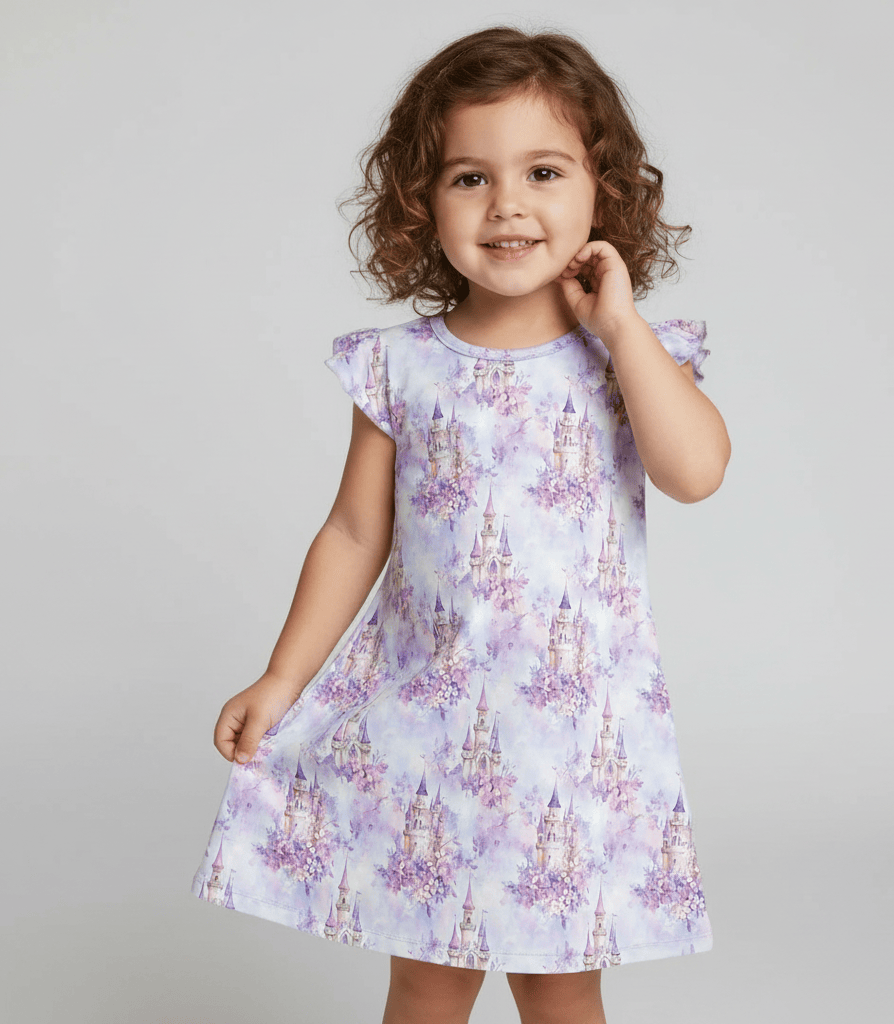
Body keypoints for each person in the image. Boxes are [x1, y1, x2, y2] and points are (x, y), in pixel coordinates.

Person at [190, 25, 731, 1024]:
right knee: (426, 980)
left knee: (561, 983)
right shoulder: (400, 367)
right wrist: (281, 678)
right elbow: (355, 535)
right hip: (429, 733)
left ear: (603, 190)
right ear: (421, 201)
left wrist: (620, 327)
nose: (507, 204)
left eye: (543, 172)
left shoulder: (631, 358)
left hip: (573, 743)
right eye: (470, 177)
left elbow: (694, 472)